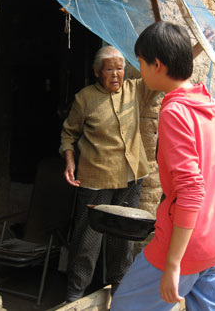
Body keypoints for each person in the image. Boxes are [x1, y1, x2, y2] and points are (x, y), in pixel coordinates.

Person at [110, 21, 215, 311]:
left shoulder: (175, 112)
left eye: (140, 62)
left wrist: (173, 263)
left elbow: (191, 191)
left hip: (188, 245)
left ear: (156, 65)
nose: (138, 69)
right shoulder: (211, 108)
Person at [59, 45, 160, 302]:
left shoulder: (135, 90)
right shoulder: (85, 98)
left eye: (120, 68)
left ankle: (119, 290)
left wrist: (196, 48)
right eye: (109, 69)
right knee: (87, 238)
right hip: (95, 178)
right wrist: (69, 160)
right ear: (97, 72)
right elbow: (69, 133)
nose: (116, 74)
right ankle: (75, 293)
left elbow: (166, 72)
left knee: (123, 237)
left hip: (130, 178)